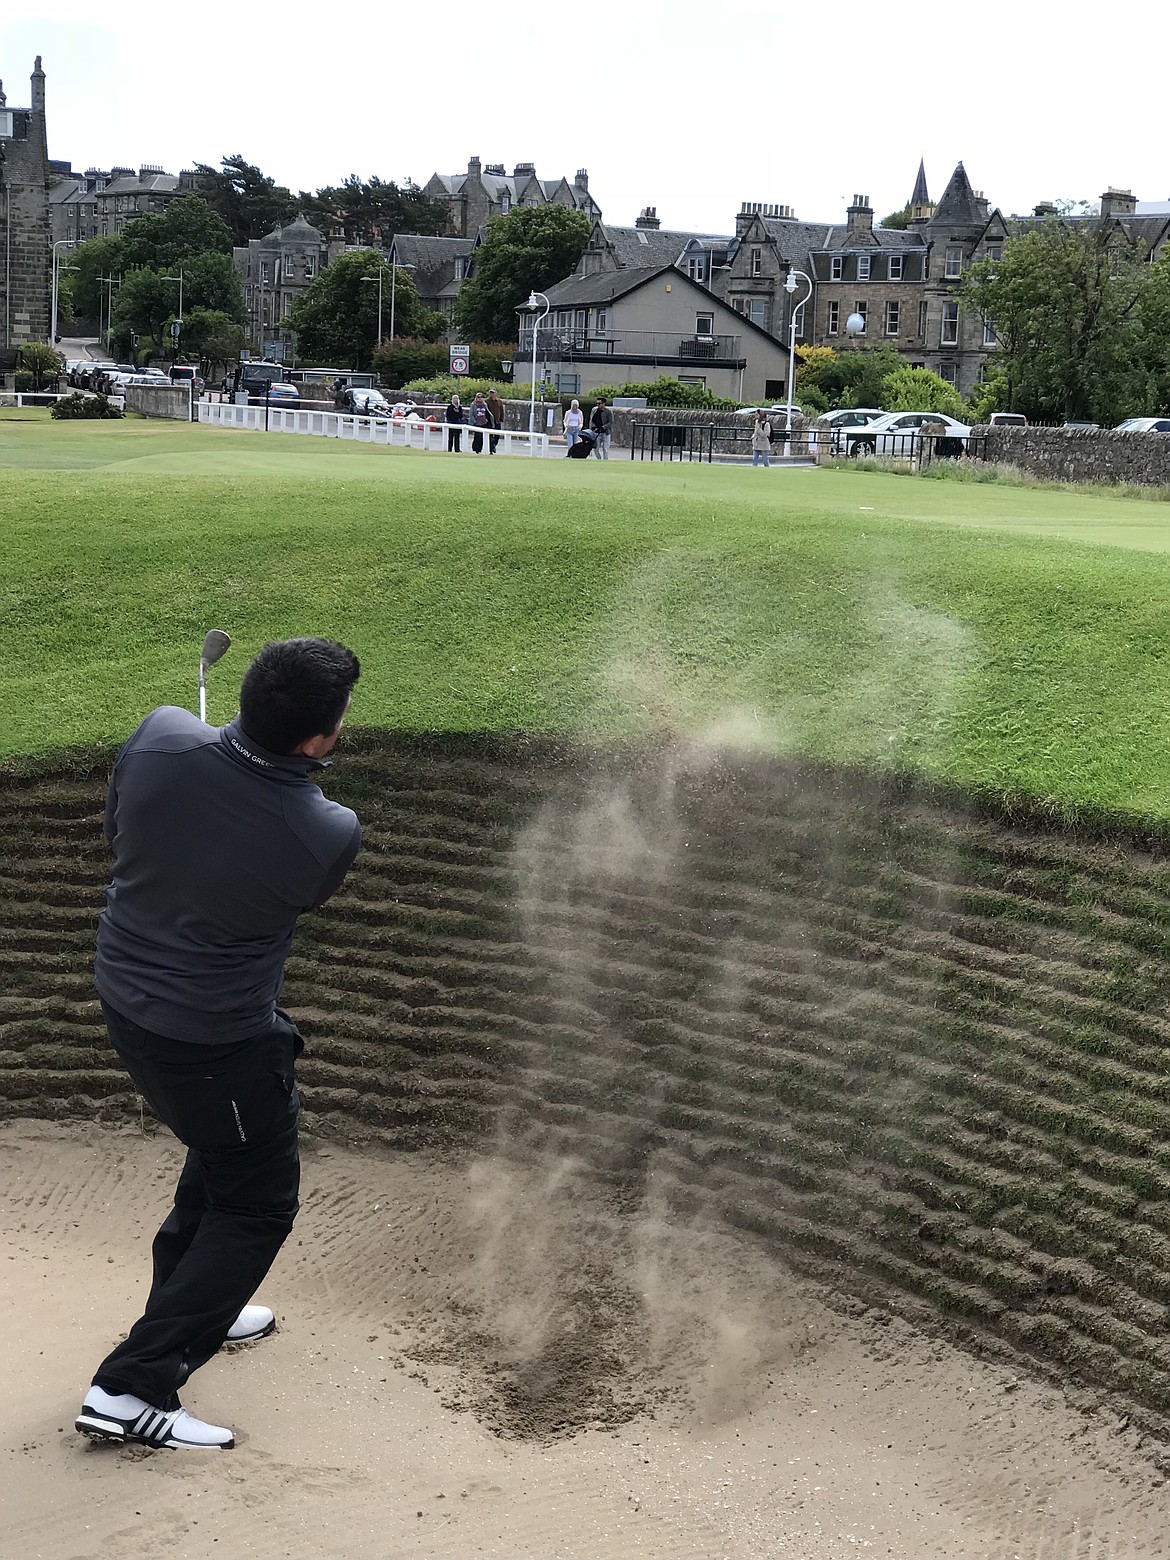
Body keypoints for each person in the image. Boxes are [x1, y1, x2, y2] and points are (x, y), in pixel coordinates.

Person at [75, 639, 363, 1451]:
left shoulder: (162, 732)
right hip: (217, 1043)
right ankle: (130, 1390)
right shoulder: (325, 830)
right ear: (320, 739)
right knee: (254, 1201)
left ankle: (196, 1300)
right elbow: (293, 882)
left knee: (222, 1153)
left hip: (127, 1002)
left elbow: (118, 830)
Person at [486, 387, 505, 454]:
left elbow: (501, 411)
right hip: (490, 421)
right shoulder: (487, 401)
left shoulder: (499, 401)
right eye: (490, 393)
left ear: (495, 393)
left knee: (497, 436)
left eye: (493, 393)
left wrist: (501, 419)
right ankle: (491, 450)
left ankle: (494, 445)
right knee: (490, 436)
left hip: (497, 421)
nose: (492, 394)